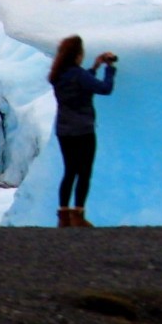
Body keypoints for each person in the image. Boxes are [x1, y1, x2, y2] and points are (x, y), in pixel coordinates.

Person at [48, 35, 117, 228]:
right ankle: (78, 214)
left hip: (64, 131)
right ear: (78, 55)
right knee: (84, 172)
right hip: (83, 131)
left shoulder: (57, 76)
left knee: (69, 171)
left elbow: (81, 82)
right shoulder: (78, 75)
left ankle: (63, 215)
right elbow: (105, 89)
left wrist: (94, 68)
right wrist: (109, 68)